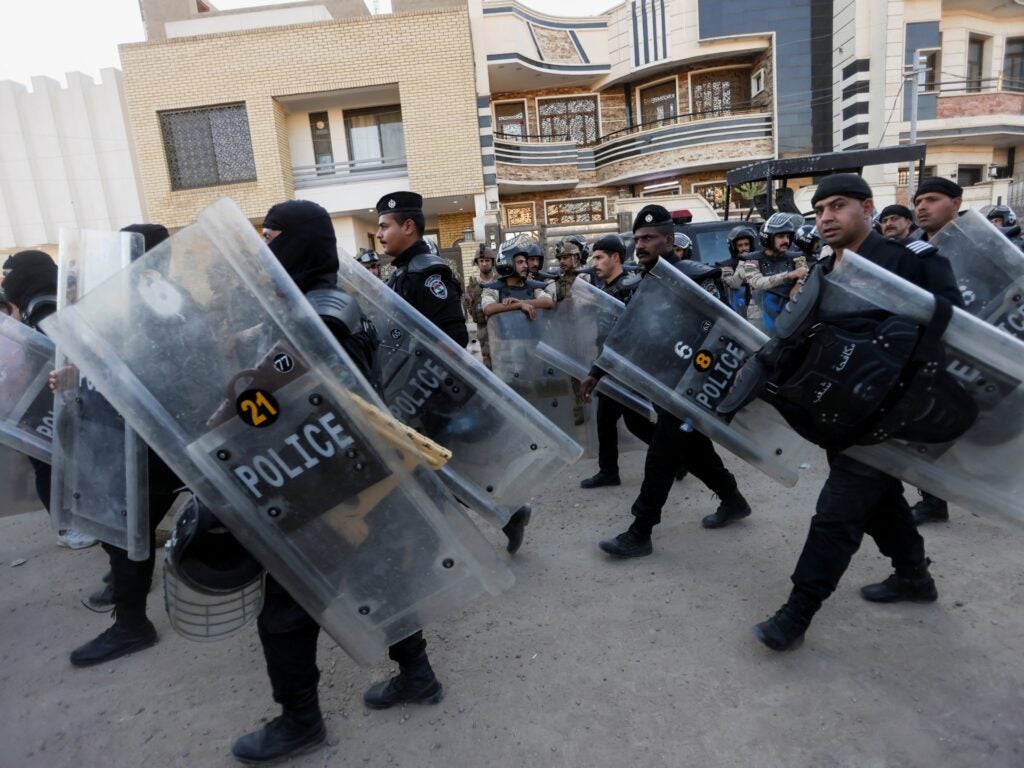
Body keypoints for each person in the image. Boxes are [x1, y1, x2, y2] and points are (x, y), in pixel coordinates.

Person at [231, 199, 443, 764]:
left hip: (329, 483)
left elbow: (334, 410)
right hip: (352, 475)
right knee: (381, 579)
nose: (264, 249)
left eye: (272, 236)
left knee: (286, 610)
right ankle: (418, 675)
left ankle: (300, 723)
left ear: (297, 243)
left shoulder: (319, 317)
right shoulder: (321, 302)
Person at [753, 173, 962, 652]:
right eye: (819, 209)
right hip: (841, 416)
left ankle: (797, 612)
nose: (826, 217)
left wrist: (907, 391)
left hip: (891, 416)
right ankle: (914, 576)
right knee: (881, 502)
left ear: (867, 209)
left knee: (838, 513)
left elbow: (951, 330)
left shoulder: (910, 261)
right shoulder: (823, 270)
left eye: (838, 205)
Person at [583, 205, 752, 558]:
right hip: (664, 382)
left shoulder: (698, 277)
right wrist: (597, 371)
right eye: (637, 239)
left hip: (694, 384)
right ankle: (733, 499)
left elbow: (727, 332)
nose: (640, 245)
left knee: (661, 454)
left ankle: (640, 531)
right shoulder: (645, 281)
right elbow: (628, 332)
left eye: (649, 238)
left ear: (670, 240)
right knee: (694, 450)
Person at [66, 224, 188, 668]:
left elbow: (156, 370)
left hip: (159, 440)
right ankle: (128, 605)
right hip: (151, 438)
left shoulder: (162, 302)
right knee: (127, 531)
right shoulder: (149, 298)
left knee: (128, 529)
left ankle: (132, 624)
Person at [1, 250, 97, 550]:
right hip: (34, 399)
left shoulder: (41, 306)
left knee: (55, 464)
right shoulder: (36, 306)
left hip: (44, 397)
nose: (6, 282)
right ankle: (67, 529)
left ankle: (77, 522)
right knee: (48, 465)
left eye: (9, 275)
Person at [906, 177, 964, 525]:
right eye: (918, 201)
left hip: (980, 349)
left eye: (931, 199)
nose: (922, 207)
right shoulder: (913, 250)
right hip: (932, 354)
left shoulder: (981, 244)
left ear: (956, 202)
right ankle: (933, 499)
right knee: (927, 429)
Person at [576, 235, 654, 489]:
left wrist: (596, 371)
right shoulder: (606, 290)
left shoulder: (629, 288)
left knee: (637, 423)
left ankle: (679, 458)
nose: (594, 264)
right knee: (605, 420)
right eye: (593, 258)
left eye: (599, 258)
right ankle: (608, 472)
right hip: (610, 366)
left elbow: (629, 334)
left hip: (629, 368)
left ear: (615, 258)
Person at [376, 191, 468, 347]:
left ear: (408, 226)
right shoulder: (402, 272)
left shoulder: (428, 275)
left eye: (384, 227)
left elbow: (454, 338)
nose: (378, 234)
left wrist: (416, 359)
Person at [740, 214, 808, 334]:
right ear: (768, 238)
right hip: (760, 319)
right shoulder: (751, 260)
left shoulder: (797, 257)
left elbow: (805, 272)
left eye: (788, 236)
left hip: (790, 314)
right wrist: (789, 275)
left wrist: (799, 284)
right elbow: (758, 282)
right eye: (781, 236)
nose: (786, 240)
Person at [482, 244, 554, 319]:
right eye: (520, 262)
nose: (525, 266)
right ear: (508, 264)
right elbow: (488, 309)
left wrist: (520, 302)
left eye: (525, 262)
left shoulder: (531, 285)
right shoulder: (493, 288)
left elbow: (548, 302)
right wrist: (519, 305)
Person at [463, 245, 496, 369]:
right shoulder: (473, 285)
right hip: (483, 328)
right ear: (477, 263)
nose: (484, 264)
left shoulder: (501, 281)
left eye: (487, 260)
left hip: (501, 325)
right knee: (487, 359)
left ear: (492, 262)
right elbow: (469, 306)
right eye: (481, 261)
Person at [720, 225, 757, 318]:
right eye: (740, 245)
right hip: (736, 315)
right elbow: (734, 284)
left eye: (746, 244)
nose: (744, 248)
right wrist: (743, 262)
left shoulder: (758, 262)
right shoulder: (726, 266)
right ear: (733, 247)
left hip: (757, 314)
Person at [553, 235, 590, 302]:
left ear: (577, 257)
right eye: (559, 259)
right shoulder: (557, 277)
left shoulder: (588, 276)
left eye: (565, 258)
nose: (561, 261)